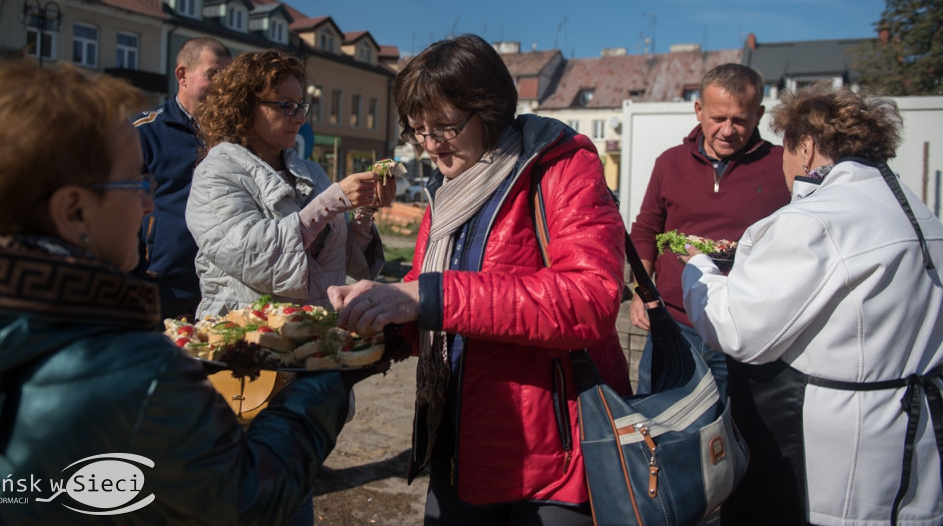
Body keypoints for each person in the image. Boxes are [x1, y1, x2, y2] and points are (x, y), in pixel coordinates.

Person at [0, 59, 365, 525]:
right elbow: (244, 498)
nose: (149, 201)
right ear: (74, 211)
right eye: (137, 181)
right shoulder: (135, 374)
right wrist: (328, 371)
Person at [327, 34, 630, 525]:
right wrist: (374, 313)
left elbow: (590, 298)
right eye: (417, 130)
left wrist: (425, 296)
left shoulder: (560, 167)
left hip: (554, 455)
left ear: (488, 110)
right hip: (457, 443)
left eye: (444, 127)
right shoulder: (448, 189)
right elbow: (425, 290)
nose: (429, 145)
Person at [678, 84, 943, 525]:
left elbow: (737, 331)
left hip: (841, 449)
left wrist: (698, 268)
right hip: (915, 433)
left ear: (804, 146)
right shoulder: (919, 213)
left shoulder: (814, 220)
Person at [186, 49, 390, 317]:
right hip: (247, 335)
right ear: (245, 107)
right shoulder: (215, 174)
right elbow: (255, 257)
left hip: (313, 332)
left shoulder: (312, 172)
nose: (300, 118)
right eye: (286, 106)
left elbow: (339, 260)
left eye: (301, 105)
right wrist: (332, 201)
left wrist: (364, 210)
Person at [629, 63, 790, 398]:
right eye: (718, 118)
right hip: (675, 327)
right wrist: (641, 292)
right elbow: (646, 229)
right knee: (659, 430)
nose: (729, 130)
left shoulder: (782, 166)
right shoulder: (669, 163)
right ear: (698, 109)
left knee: (741, 441)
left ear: (759, 114)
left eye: (740, 119)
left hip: (749, 332)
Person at [135, 37, 231, 318]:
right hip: (162, 284)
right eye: (213, 74)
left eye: (227, 76)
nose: (222, 85)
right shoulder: (144, 132)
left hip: (222, 286)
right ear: (182, 75)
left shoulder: (236, 135)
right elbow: (122, 206)